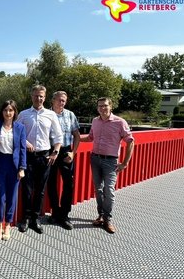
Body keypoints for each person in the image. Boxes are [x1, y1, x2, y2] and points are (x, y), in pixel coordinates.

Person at [80, 97, 134, 234]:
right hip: (95, 159)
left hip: (111, 161)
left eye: (105, 105)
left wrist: (125, 163)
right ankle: (100, 216)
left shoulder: (120, 122)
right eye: (100, 106)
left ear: (111, 106)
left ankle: (107, 219)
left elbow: (130, 142)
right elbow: (90, 138)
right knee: (98, 189)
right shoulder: (95, 121)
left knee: (109, 191)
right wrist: (75, 137)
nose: (102, 108)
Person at [17, 85, 63, 234]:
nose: (38, 98)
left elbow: (58, 136)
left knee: (41, 191)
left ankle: (36, 218)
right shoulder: (23, 114)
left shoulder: (50, 115)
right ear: (32, 96)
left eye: (41, 96)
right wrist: (25, 142)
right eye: (36, 96)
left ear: (45, 97)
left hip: (45, 157)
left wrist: (55, 152)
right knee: (27, 190)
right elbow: (16, 133)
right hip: (28, 157)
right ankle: (25, 218)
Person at [0, 100, 27, 241]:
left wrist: (22, 168)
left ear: (15, 112)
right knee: (0, 197)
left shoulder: (20, 127)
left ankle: (8, 224)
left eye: (10, 110)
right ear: (1, 112)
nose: (8, 113)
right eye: (5, 110)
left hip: (13, 165)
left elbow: (22, 149)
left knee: (12, 197)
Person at [47, 91, 80, 230]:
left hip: (66, 151)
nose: (62, 103)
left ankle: (65, 215)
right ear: (53, 100)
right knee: (51, 182)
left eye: (64, 101)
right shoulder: (46, 114)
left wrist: (73, 153)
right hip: (50, 151)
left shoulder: (70, 115)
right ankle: (55, 212)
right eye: (59, 100)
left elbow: (77, 135)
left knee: (69, 183)